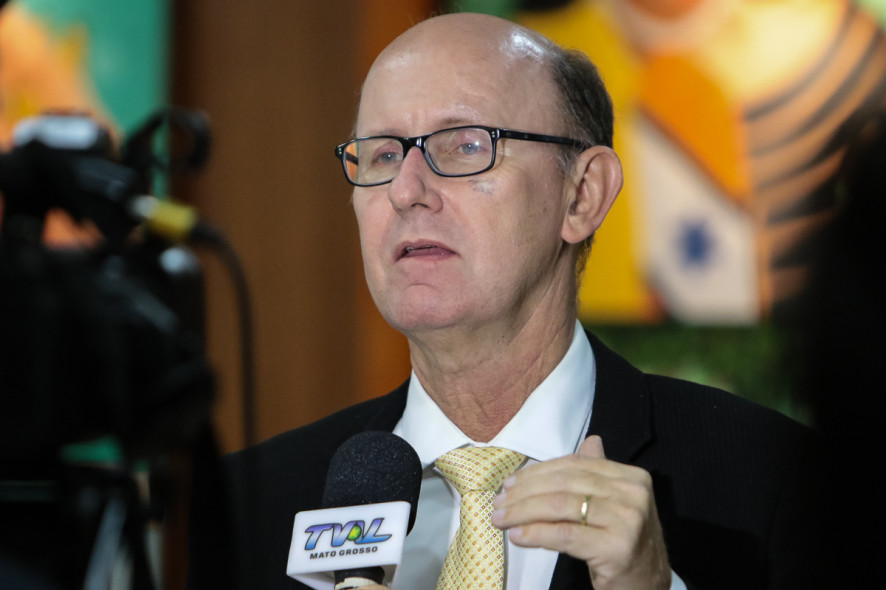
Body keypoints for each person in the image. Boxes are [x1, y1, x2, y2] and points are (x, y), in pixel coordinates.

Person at [188, 12, 824, 590]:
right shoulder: (250, 505)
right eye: (382, 154)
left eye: (465, 145)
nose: (406, 190)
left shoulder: (773, 477)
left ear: (582, 195)